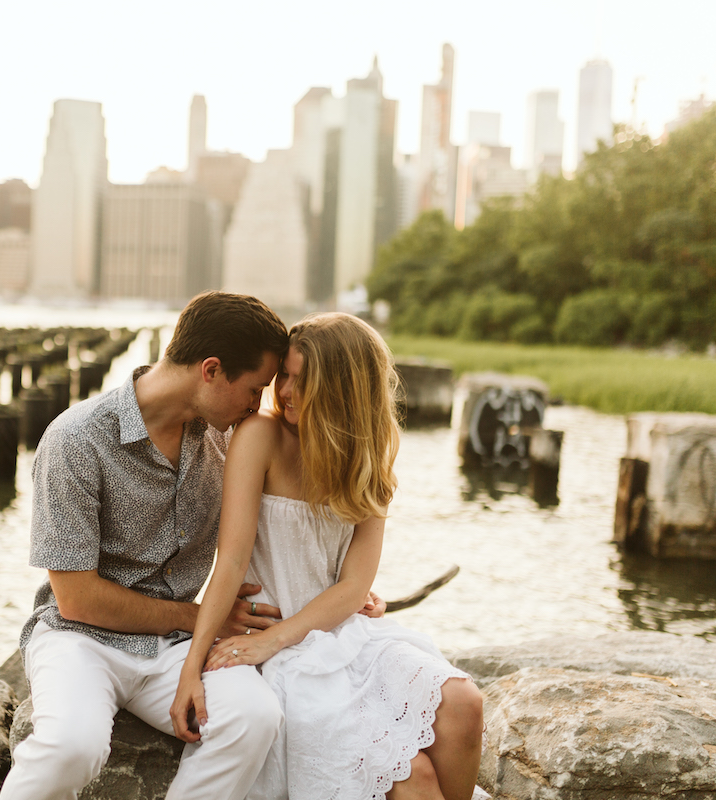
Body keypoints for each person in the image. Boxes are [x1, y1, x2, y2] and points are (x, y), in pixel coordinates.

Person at [170, 312, 485, 800]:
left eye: (302, 379)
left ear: (342, 389)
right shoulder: (261, 437)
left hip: (338, 631)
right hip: (277, 649)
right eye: (285, 376)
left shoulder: (367, 458)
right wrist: (207, 660)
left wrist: (290, 633)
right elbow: (230, 562)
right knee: (413, 777)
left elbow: (353, 586)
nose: (286, 391)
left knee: (465, 703)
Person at [0, 291, 292, 800]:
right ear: (212, 369)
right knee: (72, 745)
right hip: (79, 639)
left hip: (177, 650)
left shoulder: (229, 441)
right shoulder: (77, 439)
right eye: (254, 388)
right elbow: (77, 599)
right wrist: (196, 617)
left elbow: (295, 515)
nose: (257, 404)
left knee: (255, 717)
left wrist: (356, 590)